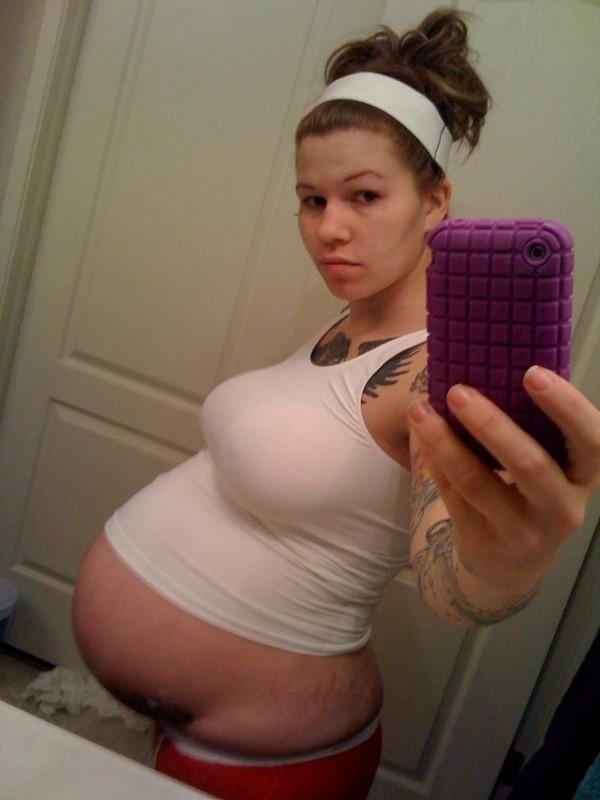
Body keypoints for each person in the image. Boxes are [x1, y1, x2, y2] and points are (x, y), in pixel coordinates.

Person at [72, 8, 600, 800]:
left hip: (275, 767)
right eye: (311, 200)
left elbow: (453, 573)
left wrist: (503, 568)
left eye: (364, 196)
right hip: (205, 732)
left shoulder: (436, 375)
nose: (329, 228)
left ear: (435, 201)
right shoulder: (349, 321)